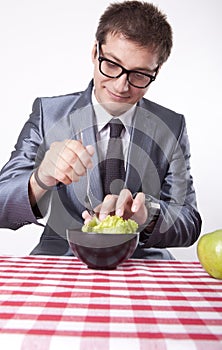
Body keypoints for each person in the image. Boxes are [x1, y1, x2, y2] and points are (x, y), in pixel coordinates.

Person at [0, 1, 201, 259]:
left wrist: (148, 214)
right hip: (62, 258)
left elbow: (190, 221)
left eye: (139, 74)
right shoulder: (48, 115)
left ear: (157, 71)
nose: (121, 86)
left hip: (141, 263)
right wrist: (40, 179)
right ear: (95, 52)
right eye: (112, 64)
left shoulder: (171, 126)